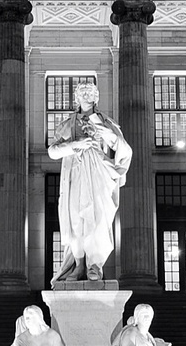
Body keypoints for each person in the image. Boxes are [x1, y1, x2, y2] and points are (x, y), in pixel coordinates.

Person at [47, 80, 131, 281]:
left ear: (97, 97)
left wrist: (107, 133)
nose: (86, 95)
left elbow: (124, 148)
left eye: (90, 92)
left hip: (99, 176)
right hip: (75, 176)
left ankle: (95, 265)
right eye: (82, 92)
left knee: (98, 220)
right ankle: (79, 264)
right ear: (76, 97)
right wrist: (75, 144)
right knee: (76, 220)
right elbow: (52, 152)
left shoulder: (107, 123)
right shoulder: (67, 125)